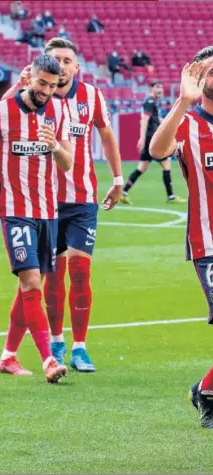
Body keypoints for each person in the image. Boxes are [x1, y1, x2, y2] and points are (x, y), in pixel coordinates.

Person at [0, 38, 123, 372]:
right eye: (57, 59)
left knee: (80, 271)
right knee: (48, 279)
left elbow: (108, 136)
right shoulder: (34, 94)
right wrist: (19, 84)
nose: (63, 65)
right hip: (45, 199)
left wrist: (117, 178)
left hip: (82, 196)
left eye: (68, 60)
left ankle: (80, 347)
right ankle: (54, 340)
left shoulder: (92, 96)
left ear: (77, 66)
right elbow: (0, 115)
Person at [0, 54, 73, 383]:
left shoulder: (59, 111)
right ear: (28, 78)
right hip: (15, 211)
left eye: (52, 86)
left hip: (47, 211)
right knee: (32, 283)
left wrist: (54, 148)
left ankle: (8, 355)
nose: (46, 91)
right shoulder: (0, 113)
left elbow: (68, 164)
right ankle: (49, 359)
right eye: (41, 83)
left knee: (29, 287)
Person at [148, 46, 213, 429]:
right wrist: (181, 101)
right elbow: (157, 150)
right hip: (209, 243)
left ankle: (204, 389)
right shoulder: (188, 123)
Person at [120, 80, 186, 204]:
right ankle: (171, 197)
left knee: (142, 168)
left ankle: (124, 192)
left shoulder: (152, 103)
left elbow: (157, 120)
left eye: (161, 87)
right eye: (157, 87)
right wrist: (142, 138)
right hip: (152, 140)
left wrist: (171, 124)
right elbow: (144, 119)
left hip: (150, 140)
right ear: (151, 89)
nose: (160, 89)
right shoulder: (149, 102)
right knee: (166, 165)